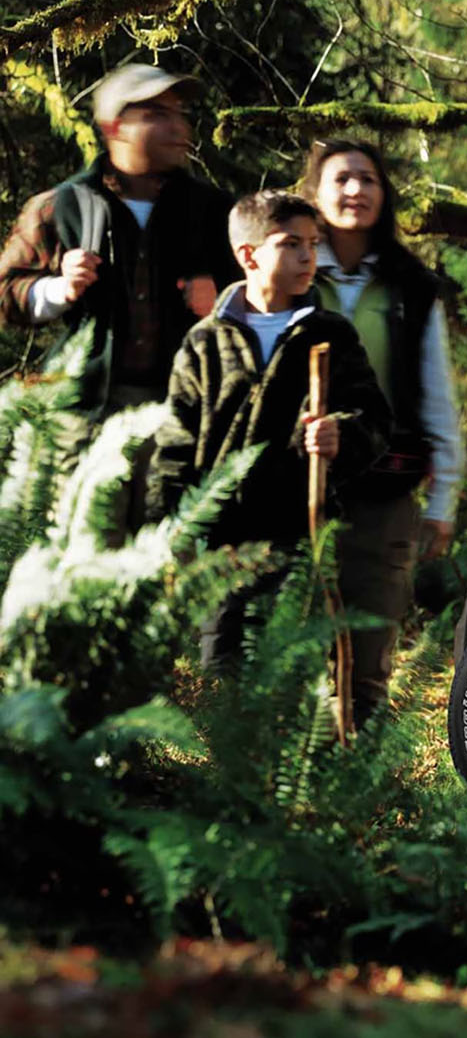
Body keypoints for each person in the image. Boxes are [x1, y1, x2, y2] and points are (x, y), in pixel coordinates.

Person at [149, 191, 391, 676]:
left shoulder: (330, 335)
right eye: (291, 244)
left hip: (299, 537)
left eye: (313, 243)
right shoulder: (204, 344)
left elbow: (374, 418)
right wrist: (167, 528)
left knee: (291, 673)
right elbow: (175, 445)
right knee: (223, 671)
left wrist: (342, 435)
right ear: (248, 255)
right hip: (223, 546)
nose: (309, 257)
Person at [299, 138, 464, 724]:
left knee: (368, 654)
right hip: (291, 488)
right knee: (291, 651)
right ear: (314, 193)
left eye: (368, 180)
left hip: (384, 491)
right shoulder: (288, 271)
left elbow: (437, 394)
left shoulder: (410, 286)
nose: (356, 191)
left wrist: (442, 500)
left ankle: (353, 792)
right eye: (341, 178)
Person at [0, 64, 236, 413]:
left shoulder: (214, 209)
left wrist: (222, 299)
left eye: (178, 113)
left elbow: (266, 294)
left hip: (184, 409)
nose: (177, 126)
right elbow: (6, 292)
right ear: (114, 127)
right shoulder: (64, 205)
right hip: (82, 408)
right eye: (156, 114)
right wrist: (60, 289)